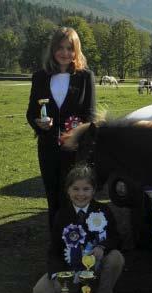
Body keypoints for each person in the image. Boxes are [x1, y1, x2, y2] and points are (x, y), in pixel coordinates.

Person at [26, 27, 96, 229]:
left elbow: (90, 116)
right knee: (53, 196)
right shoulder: (40, 77)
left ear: (76, 51)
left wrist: (79, 141)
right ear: (53, 49)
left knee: (76, 196)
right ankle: (57, 241)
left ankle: (79, 238)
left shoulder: (85, 77)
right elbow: (31, 113)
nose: (65, 53)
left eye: (70, 48)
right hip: (47, 149)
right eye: (60, 48)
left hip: (75, 151)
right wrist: (39, 124)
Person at [33, 165, 124, 293]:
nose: (80, 194)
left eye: (86, 189)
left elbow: (116, 238)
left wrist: (102, 247)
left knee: (116, 258)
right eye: (75, 189)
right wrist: (57, 275)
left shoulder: (103, 211)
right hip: (71, 269)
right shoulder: (61, 215)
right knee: (40, 292)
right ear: (68, 190)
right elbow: (54, 250)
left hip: (96, 265)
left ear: (94, 190)